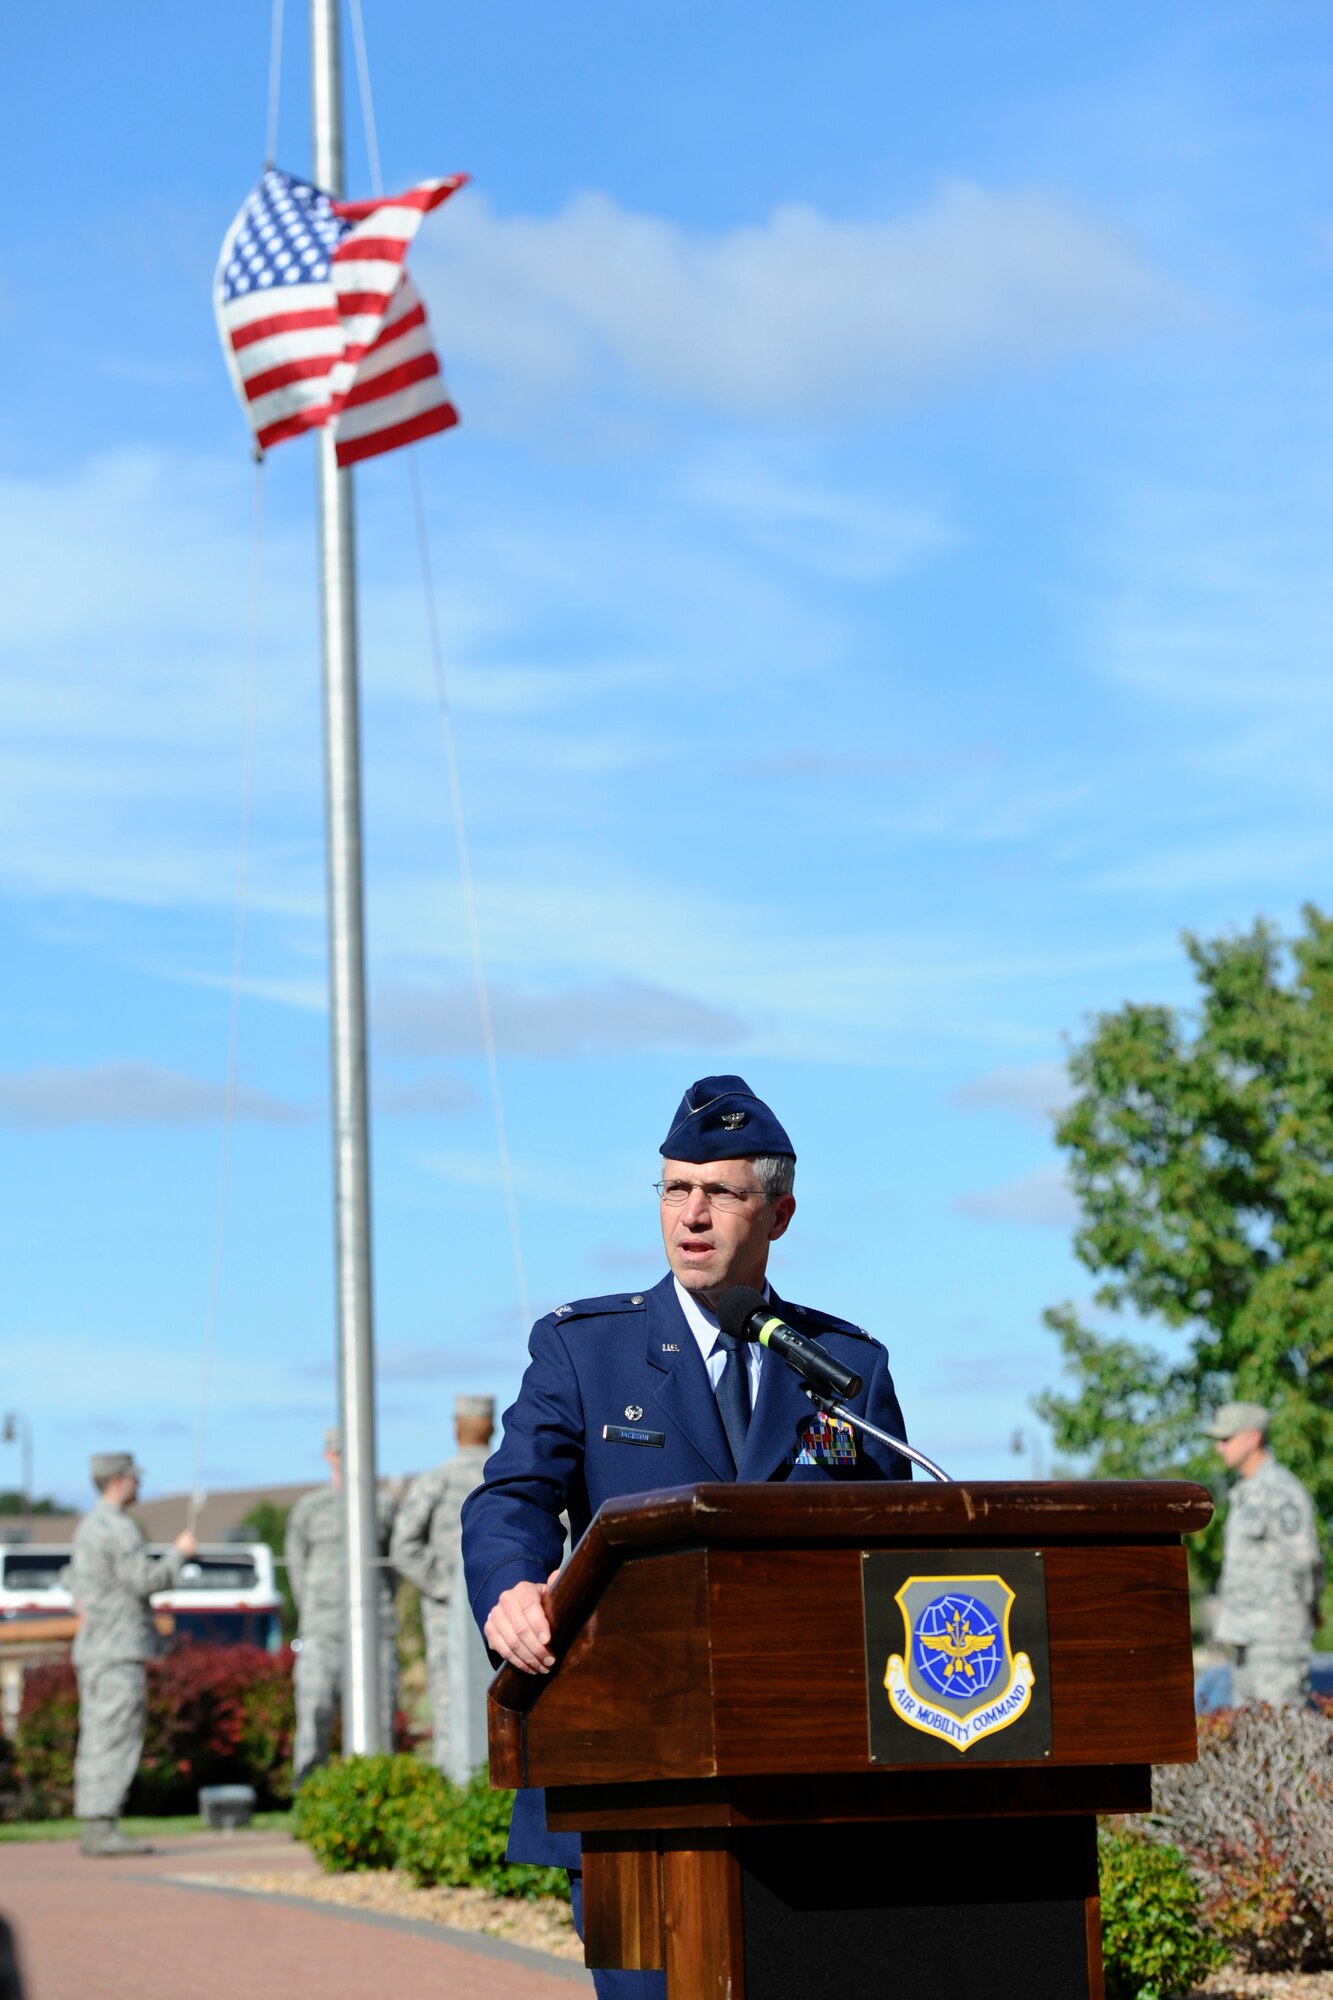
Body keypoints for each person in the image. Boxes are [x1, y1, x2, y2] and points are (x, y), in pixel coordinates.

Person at [461, 1074, 911, 2000]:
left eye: (721, 1192)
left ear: (778, 1213)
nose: (692, 1214)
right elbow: (510, 1496)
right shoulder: (586, 1350)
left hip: (803, 1772)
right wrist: (511, 1587)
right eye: (675, 1189)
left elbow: (894, 1549)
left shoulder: (842, 1367)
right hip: (633, 1766)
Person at [68, 1451, 196, 1857]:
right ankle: (101, 1825)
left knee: (98, 1734)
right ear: (119, 1480)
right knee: (115, 1735)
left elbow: (77, 1586)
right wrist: (180, 1554)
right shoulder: (117, 1529)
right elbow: (146, 1580)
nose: (140, 1485)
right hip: (116, 1651)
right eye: (135, 1478)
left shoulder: (88, 1527)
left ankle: (96, 1823)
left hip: (97, 1649)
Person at [285, 1428, 400, 1783]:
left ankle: (373, 1794)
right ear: (328, 1456)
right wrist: (314, 1609)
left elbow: (394, 1564)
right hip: (323, 1629)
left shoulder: (382, 1505)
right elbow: (296, 1566)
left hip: (373, 1628)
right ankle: (308, 1793)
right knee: (314, 1711)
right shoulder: (310, 1508)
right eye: (339, 1452)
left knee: (377, 1717)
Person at [390, 1394, 495, 1769]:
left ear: (456, 1429)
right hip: (509, 1609)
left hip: (449, 1613)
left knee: (450, 1698)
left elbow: (403, 1547)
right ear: (493, 1426)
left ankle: (456, 1789)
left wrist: (447, 1592)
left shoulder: (435, 1480)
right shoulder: (510, 1475)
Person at [1204, 1400, 1324, 1708]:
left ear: (1252, 1437)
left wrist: (1305, 1613)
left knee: (1284, 1735)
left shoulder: (1280, 1490)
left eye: (1226, 1438)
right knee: (1249, 1738)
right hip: (1245, 1637)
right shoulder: (1245, 1491)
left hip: (1277, 1638)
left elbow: (1305, 1559)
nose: (1219, 1447)